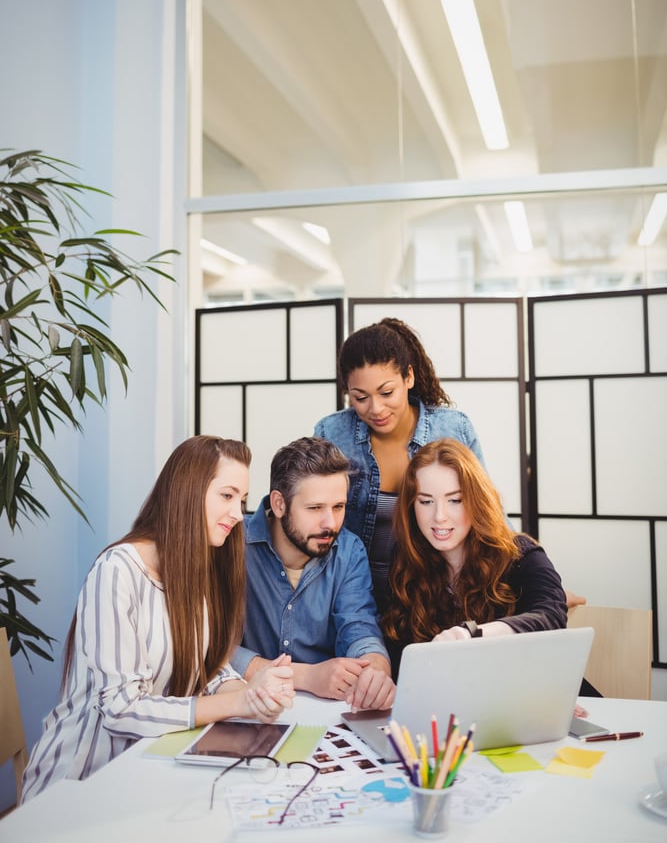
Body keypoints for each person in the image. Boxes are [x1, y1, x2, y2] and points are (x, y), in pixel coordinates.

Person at [22, 436, 295, 802]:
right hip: (80, 783)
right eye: (227, 496)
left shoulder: (191, 571)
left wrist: (254, 691)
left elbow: (206, 672)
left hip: (147, 772)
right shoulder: (117, 570)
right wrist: (239, 703)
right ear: (188, 491)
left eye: (242, 501)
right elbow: (120, 709)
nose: (237, 513)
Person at [314, 317, 484, 613]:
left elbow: (486, 512)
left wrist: (532, 578)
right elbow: (311, 514)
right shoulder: (332, 434)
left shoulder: (453, 429)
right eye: (360, 397)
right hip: (351, 596)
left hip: (431, 595)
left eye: (386, 392)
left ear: (409, 377)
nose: (376, 409)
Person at [231, 436, 395, 711]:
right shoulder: (232, 545)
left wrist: (375, 669)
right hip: (243, 707)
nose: (330, 523)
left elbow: (358, 625)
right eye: (315, 508)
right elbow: (209, 650)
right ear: (279, 504)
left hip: (324, 714)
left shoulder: (349, 550)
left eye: (338, 507)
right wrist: (306, 676)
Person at [381, 438, 568, 678]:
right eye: (426, 501)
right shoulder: (406, 562)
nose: (439, 516)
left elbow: (551, 616)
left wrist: (470, 634)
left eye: (455, 500)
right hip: (451, 707)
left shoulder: (520, 553)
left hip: (535, 691)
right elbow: (400, 655)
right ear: (411, 506)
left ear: (476, 500)